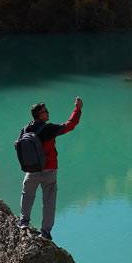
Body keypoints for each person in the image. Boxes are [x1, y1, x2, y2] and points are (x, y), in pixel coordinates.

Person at [18, 96, 82, 240]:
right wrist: (77, 109)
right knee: (49, 201)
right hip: (49, 170)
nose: (48, 112)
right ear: (39, 115)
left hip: (31, 170)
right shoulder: (49, 128)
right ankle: (45, 232)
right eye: (45, 111)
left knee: (27, 195)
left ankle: (23, 223)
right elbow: (69, 125)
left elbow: (18, 145)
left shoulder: (25, 129)